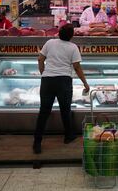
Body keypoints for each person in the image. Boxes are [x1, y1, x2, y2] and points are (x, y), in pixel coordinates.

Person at [33, 23, 89, 154]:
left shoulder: (50, 42)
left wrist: (44, 74)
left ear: (58, 33)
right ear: (72, 35)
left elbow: (40, 59)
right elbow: (77, 67)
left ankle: (37, 142)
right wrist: (85, 84)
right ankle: (68, 136)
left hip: (47, 81)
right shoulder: (73, 47)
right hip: (64, 81)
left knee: (44, 112)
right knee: (65, 110)